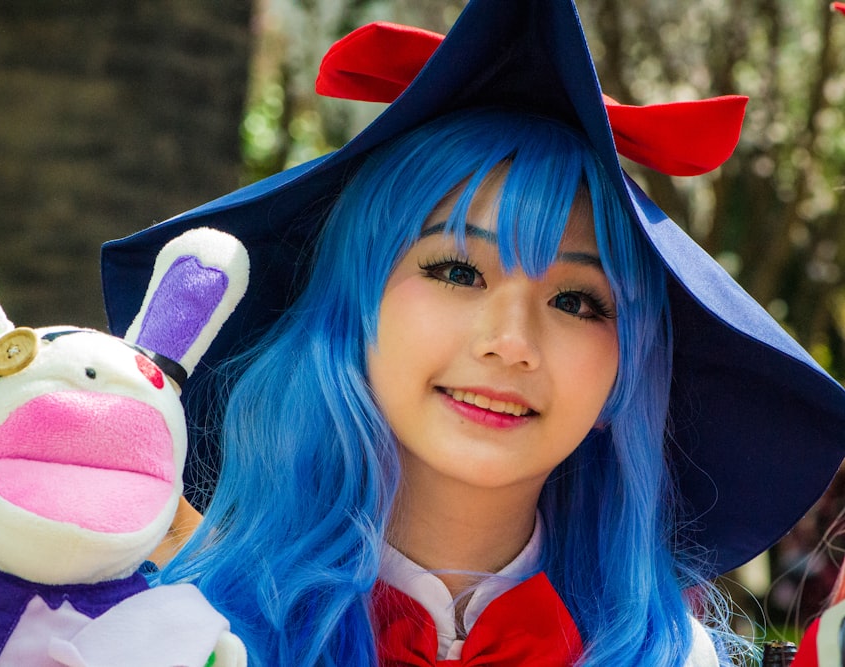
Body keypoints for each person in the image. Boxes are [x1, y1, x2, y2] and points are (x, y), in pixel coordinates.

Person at [100, 1, 845, 665]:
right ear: (349, 308)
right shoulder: (159, 637)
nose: (511, 340)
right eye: (458, 271)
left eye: (579, 301)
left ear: (627, 370)